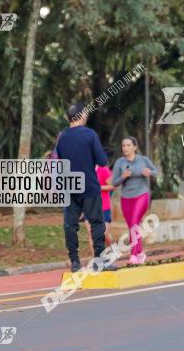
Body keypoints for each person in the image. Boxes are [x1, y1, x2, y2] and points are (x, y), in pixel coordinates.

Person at [55, 103, 114, 273]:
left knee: (70, 225)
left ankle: (74, 262)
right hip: (89, 186)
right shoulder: (89, 134)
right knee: (96, 223)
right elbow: (102, 161)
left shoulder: (62, 137)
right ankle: (100, 261)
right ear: (81, 115)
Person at [111, 136, 157, 266]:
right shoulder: (119, 162)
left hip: (141, 195)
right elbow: (114, 182)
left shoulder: (143, 160)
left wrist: (149, 172)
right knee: (132, 225)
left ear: (135, 147)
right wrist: (123, 177)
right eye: (123, 145)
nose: (125, 148)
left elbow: (155, 171)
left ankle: (133, 254)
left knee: (134, 223)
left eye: (128, 145)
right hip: (126, 198)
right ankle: (140, 253)